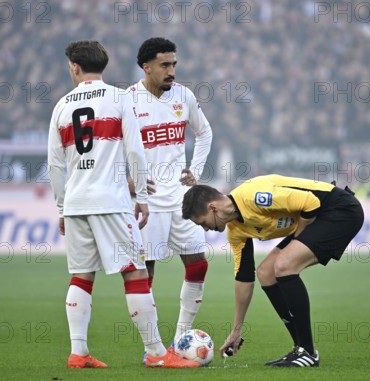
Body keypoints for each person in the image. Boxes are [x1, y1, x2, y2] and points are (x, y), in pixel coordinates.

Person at [47, 40, 199, 369]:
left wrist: (61, 208)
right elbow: (134, 151)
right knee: (135, 273)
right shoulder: (119, 98)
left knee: (81, 276)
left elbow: (55, 166)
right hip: (110, 200)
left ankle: (79, 352)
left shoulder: (61, 107)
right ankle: (158, 354)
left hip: (75, 202)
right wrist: (142, 198)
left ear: (75, 67)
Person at [182, 175, 365, 367]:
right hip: (317, 218)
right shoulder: (236, 230)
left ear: (213, 208)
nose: (206, 228)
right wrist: (237, 329)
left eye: (202, 222)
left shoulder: (253, 196)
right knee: (266, 273)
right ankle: (300, 349)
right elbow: (244, 278)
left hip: (339, 210)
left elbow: (311, 202)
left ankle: (307, 352)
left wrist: (297, 240)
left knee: (285, 265)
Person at [126, 37, 213, 357]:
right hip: (147, 200)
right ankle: (154, 349)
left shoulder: (183, 95)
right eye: (164, 65)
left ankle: (180, 340)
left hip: (181, 197)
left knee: (198, 264)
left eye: (174, 64)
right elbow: (114, 145)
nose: (171, 71)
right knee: (145, 271)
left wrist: (196, 170)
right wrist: (128, 180)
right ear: (145, 67)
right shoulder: (128, 101)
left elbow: (205, 132)